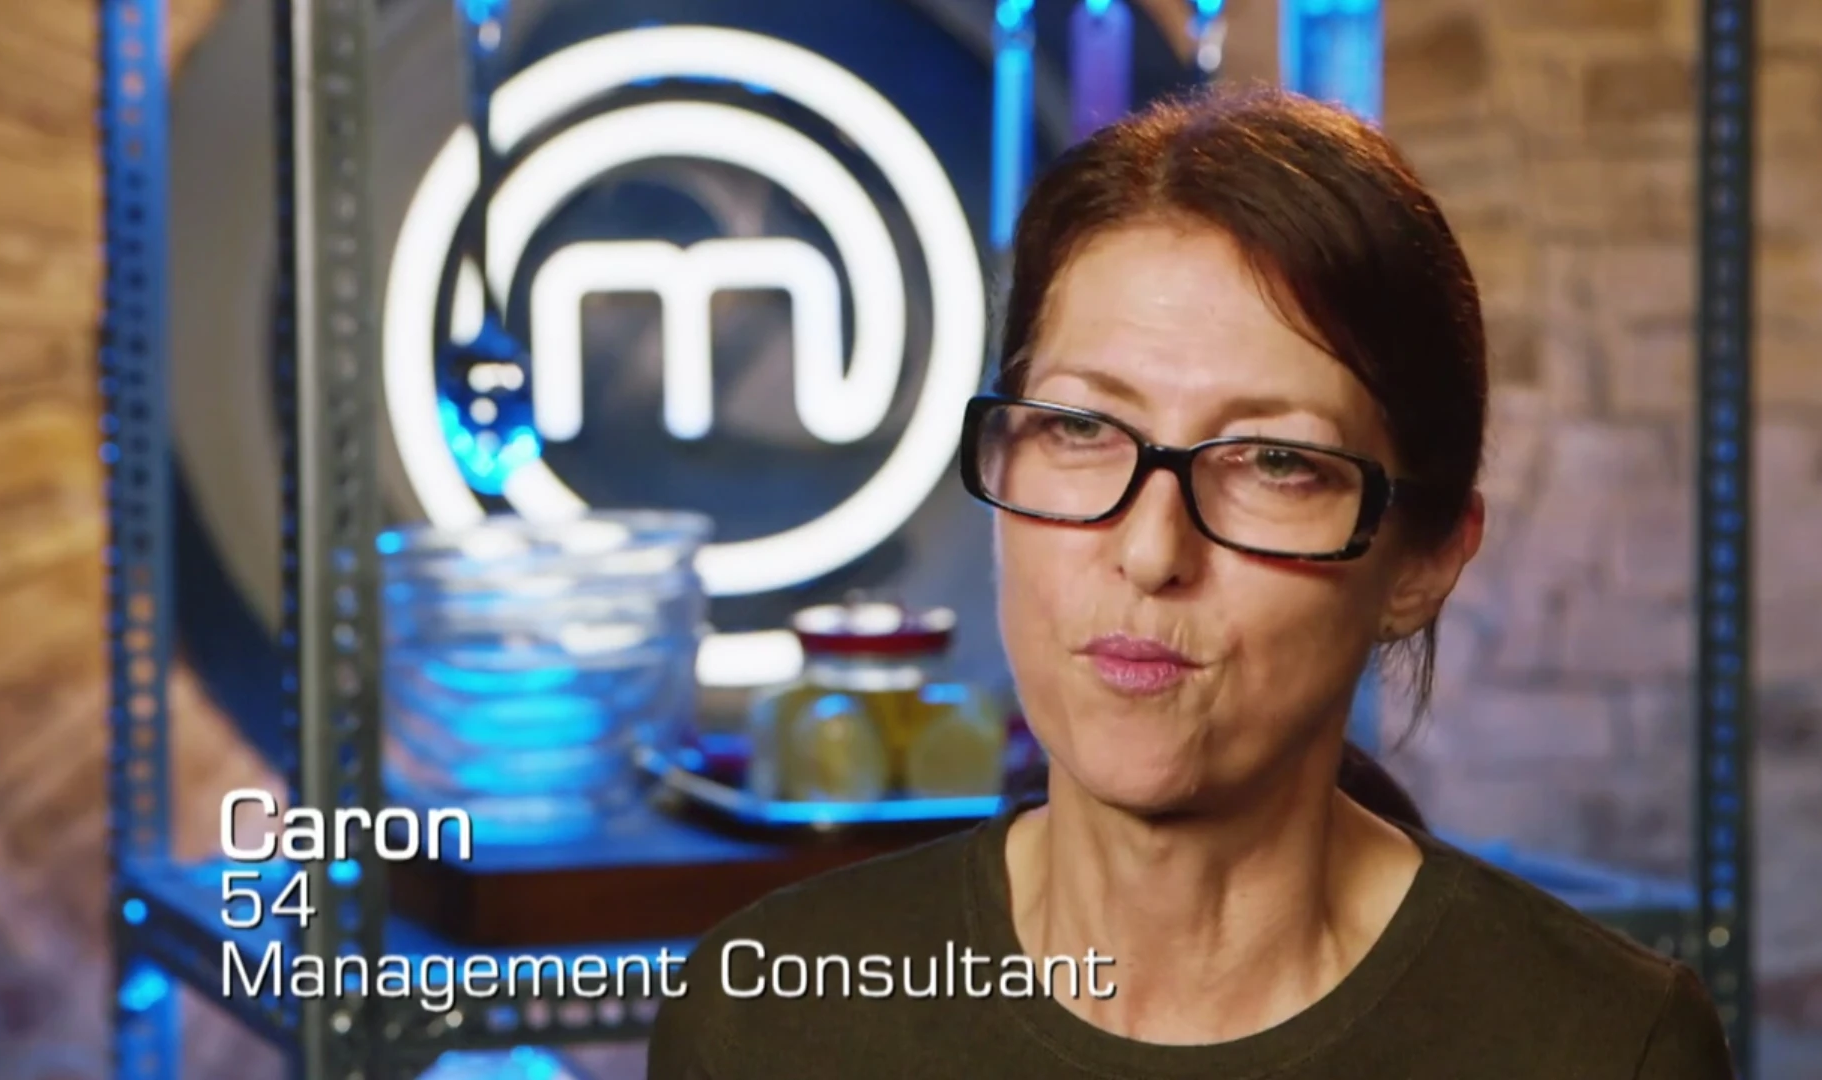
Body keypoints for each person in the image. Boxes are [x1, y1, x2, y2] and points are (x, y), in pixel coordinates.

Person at [647, 86, 1734, 1079]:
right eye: (1081, 429)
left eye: (1274, 460)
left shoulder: (1599, 1046)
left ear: (1425, 558)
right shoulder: (771, 1024)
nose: (1150, 550)